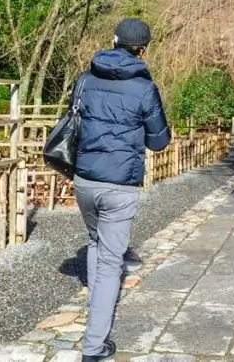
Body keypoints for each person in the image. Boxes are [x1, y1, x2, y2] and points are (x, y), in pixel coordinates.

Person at [72, 18, 171, 361]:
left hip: (84, 180)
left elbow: (74, 121)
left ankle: (95, 302)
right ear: (143, 50)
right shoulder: (145, 88)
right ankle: (94, 347)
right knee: (112, 260)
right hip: (120, 185)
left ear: (113, 42)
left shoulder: (85, 79)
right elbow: (160, 141)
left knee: (96, 243)